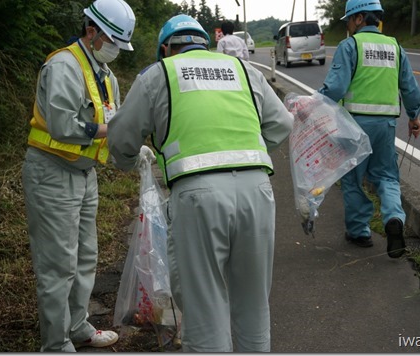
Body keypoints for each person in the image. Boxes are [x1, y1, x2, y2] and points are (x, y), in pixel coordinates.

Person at [107, 14, 293, 352]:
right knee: (253, 302)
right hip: (257, 190)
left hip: (198, 195)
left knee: (205, 304)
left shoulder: (159, 74)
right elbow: (281, 124)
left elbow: (121, 137)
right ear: (203, 43)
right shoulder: (243, 71)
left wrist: (128, 162)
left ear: (166, 48)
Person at [21, 0, 135, 351]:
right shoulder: (63, 66)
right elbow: (61, 125)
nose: (116, 50)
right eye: (113, 41)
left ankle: (78, 326)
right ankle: (55, 344)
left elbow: (112, 124)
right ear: (92, 31)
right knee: (58, 265)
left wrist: (132, 152)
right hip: (52, 173)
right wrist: (113, 130)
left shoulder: (106, 75)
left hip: (85, 176)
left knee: (85, 256)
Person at [318, 0, 420, 258]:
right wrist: (414, 116)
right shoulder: (395, 47)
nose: (349, 28)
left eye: (349, 21)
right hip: (386, 126)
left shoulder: (351, 46)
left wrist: (313, 105)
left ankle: (359, 231)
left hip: (354, 126)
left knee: (353, 180)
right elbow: (410, 88)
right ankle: (394, 219)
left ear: (359, 18)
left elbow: (335, 88)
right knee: (387, 176)